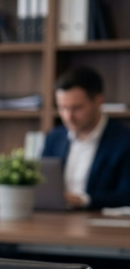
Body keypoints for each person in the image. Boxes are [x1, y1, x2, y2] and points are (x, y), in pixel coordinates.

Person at [42, 67, 130, 209]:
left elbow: (126, 194)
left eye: (76, 108)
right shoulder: (54, 137)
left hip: (99, 223)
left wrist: (83, 200)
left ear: (99, 101)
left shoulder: (124, 141)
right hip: (55, 221)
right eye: (62, 108)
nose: (68, 117)